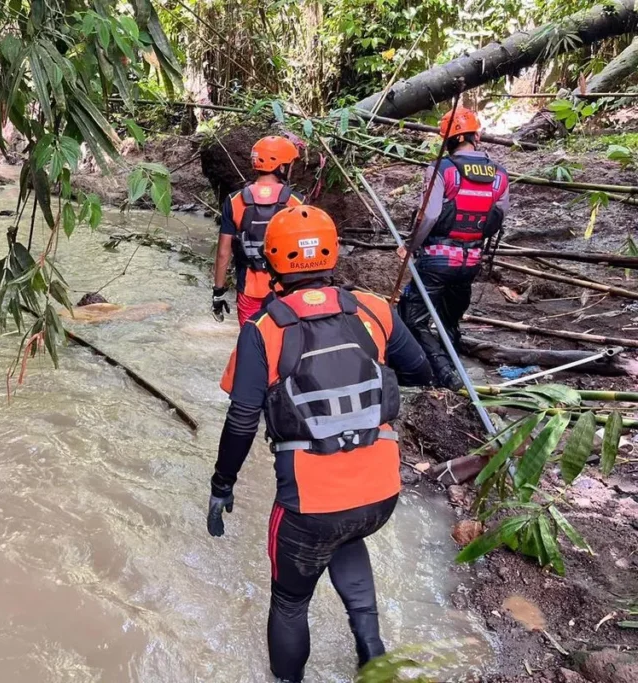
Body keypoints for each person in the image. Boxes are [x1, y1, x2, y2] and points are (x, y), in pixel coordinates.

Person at [206, 205, 433, 682]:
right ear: (333, 253)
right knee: (346, 535)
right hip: (380, 494)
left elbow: (243, 417)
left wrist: (222, 484)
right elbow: (420, 372)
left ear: (270, 261)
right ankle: (372, 652)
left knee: (290, 601)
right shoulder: (374, 309)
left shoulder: (263, 330)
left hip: (310, 506)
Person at [396, 108, 510, 390]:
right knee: (449, 318)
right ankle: (453, 361)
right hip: (471, 262)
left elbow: (431, 215)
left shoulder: (442, 169)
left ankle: (446, 375)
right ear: (476, 135)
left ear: (446, 140)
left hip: (436, 261)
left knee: (412, 319)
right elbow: (499, 215)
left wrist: (410, 246)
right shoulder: (499, 175)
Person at [213, 136, 304, 326]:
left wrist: (218, 292)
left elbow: (223, 253)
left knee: (252, 342)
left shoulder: (234, 200)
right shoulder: (297, 201)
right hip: (286, 289)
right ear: (281, 167)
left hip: (249, 290)